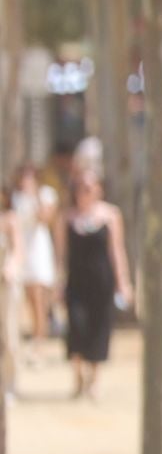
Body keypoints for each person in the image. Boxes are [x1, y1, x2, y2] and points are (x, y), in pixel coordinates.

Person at [55, 169, 131, 401]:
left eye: (89, 188)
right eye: (81, 188)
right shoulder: (66, 218)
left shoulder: (110, 216)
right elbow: (61, 255)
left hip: (102, 283)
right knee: (77, 327)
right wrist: (58, 283)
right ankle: (77, 375)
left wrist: (123, 282)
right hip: (76, 283)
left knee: (100, 328)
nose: (85, 193)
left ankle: (94, 379)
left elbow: (117, 251)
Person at [10, 163, 58, 359]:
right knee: (27, 300)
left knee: (39, 299)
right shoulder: (15, 197)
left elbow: (45, 218)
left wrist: (35, 194)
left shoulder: (46, 194)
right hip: (22, 252)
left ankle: (40, 343)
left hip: (39, 251)